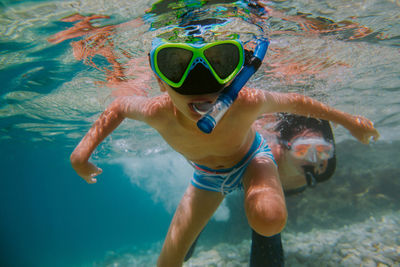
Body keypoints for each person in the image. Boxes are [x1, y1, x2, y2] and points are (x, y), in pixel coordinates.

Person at [70, 21, 379, 266]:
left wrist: (351, 122)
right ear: (162, 82)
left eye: (219, 65)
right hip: (205, 176)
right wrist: (80, 154)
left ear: (235, 77)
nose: (200, 91)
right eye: (177, 68)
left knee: (269, 219)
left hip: (253, 160)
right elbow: (118, 107)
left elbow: (299, 102)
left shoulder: (246, 101)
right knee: (168, 261)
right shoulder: (156, 111)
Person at [184, 113, 338, 266]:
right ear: (285, 146)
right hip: (250, 179)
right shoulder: (266, 156)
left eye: (322, 150)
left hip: (289, 188)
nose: (313, 158)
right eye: (302, 150)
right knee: (261, 212)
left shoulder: (323, 167)